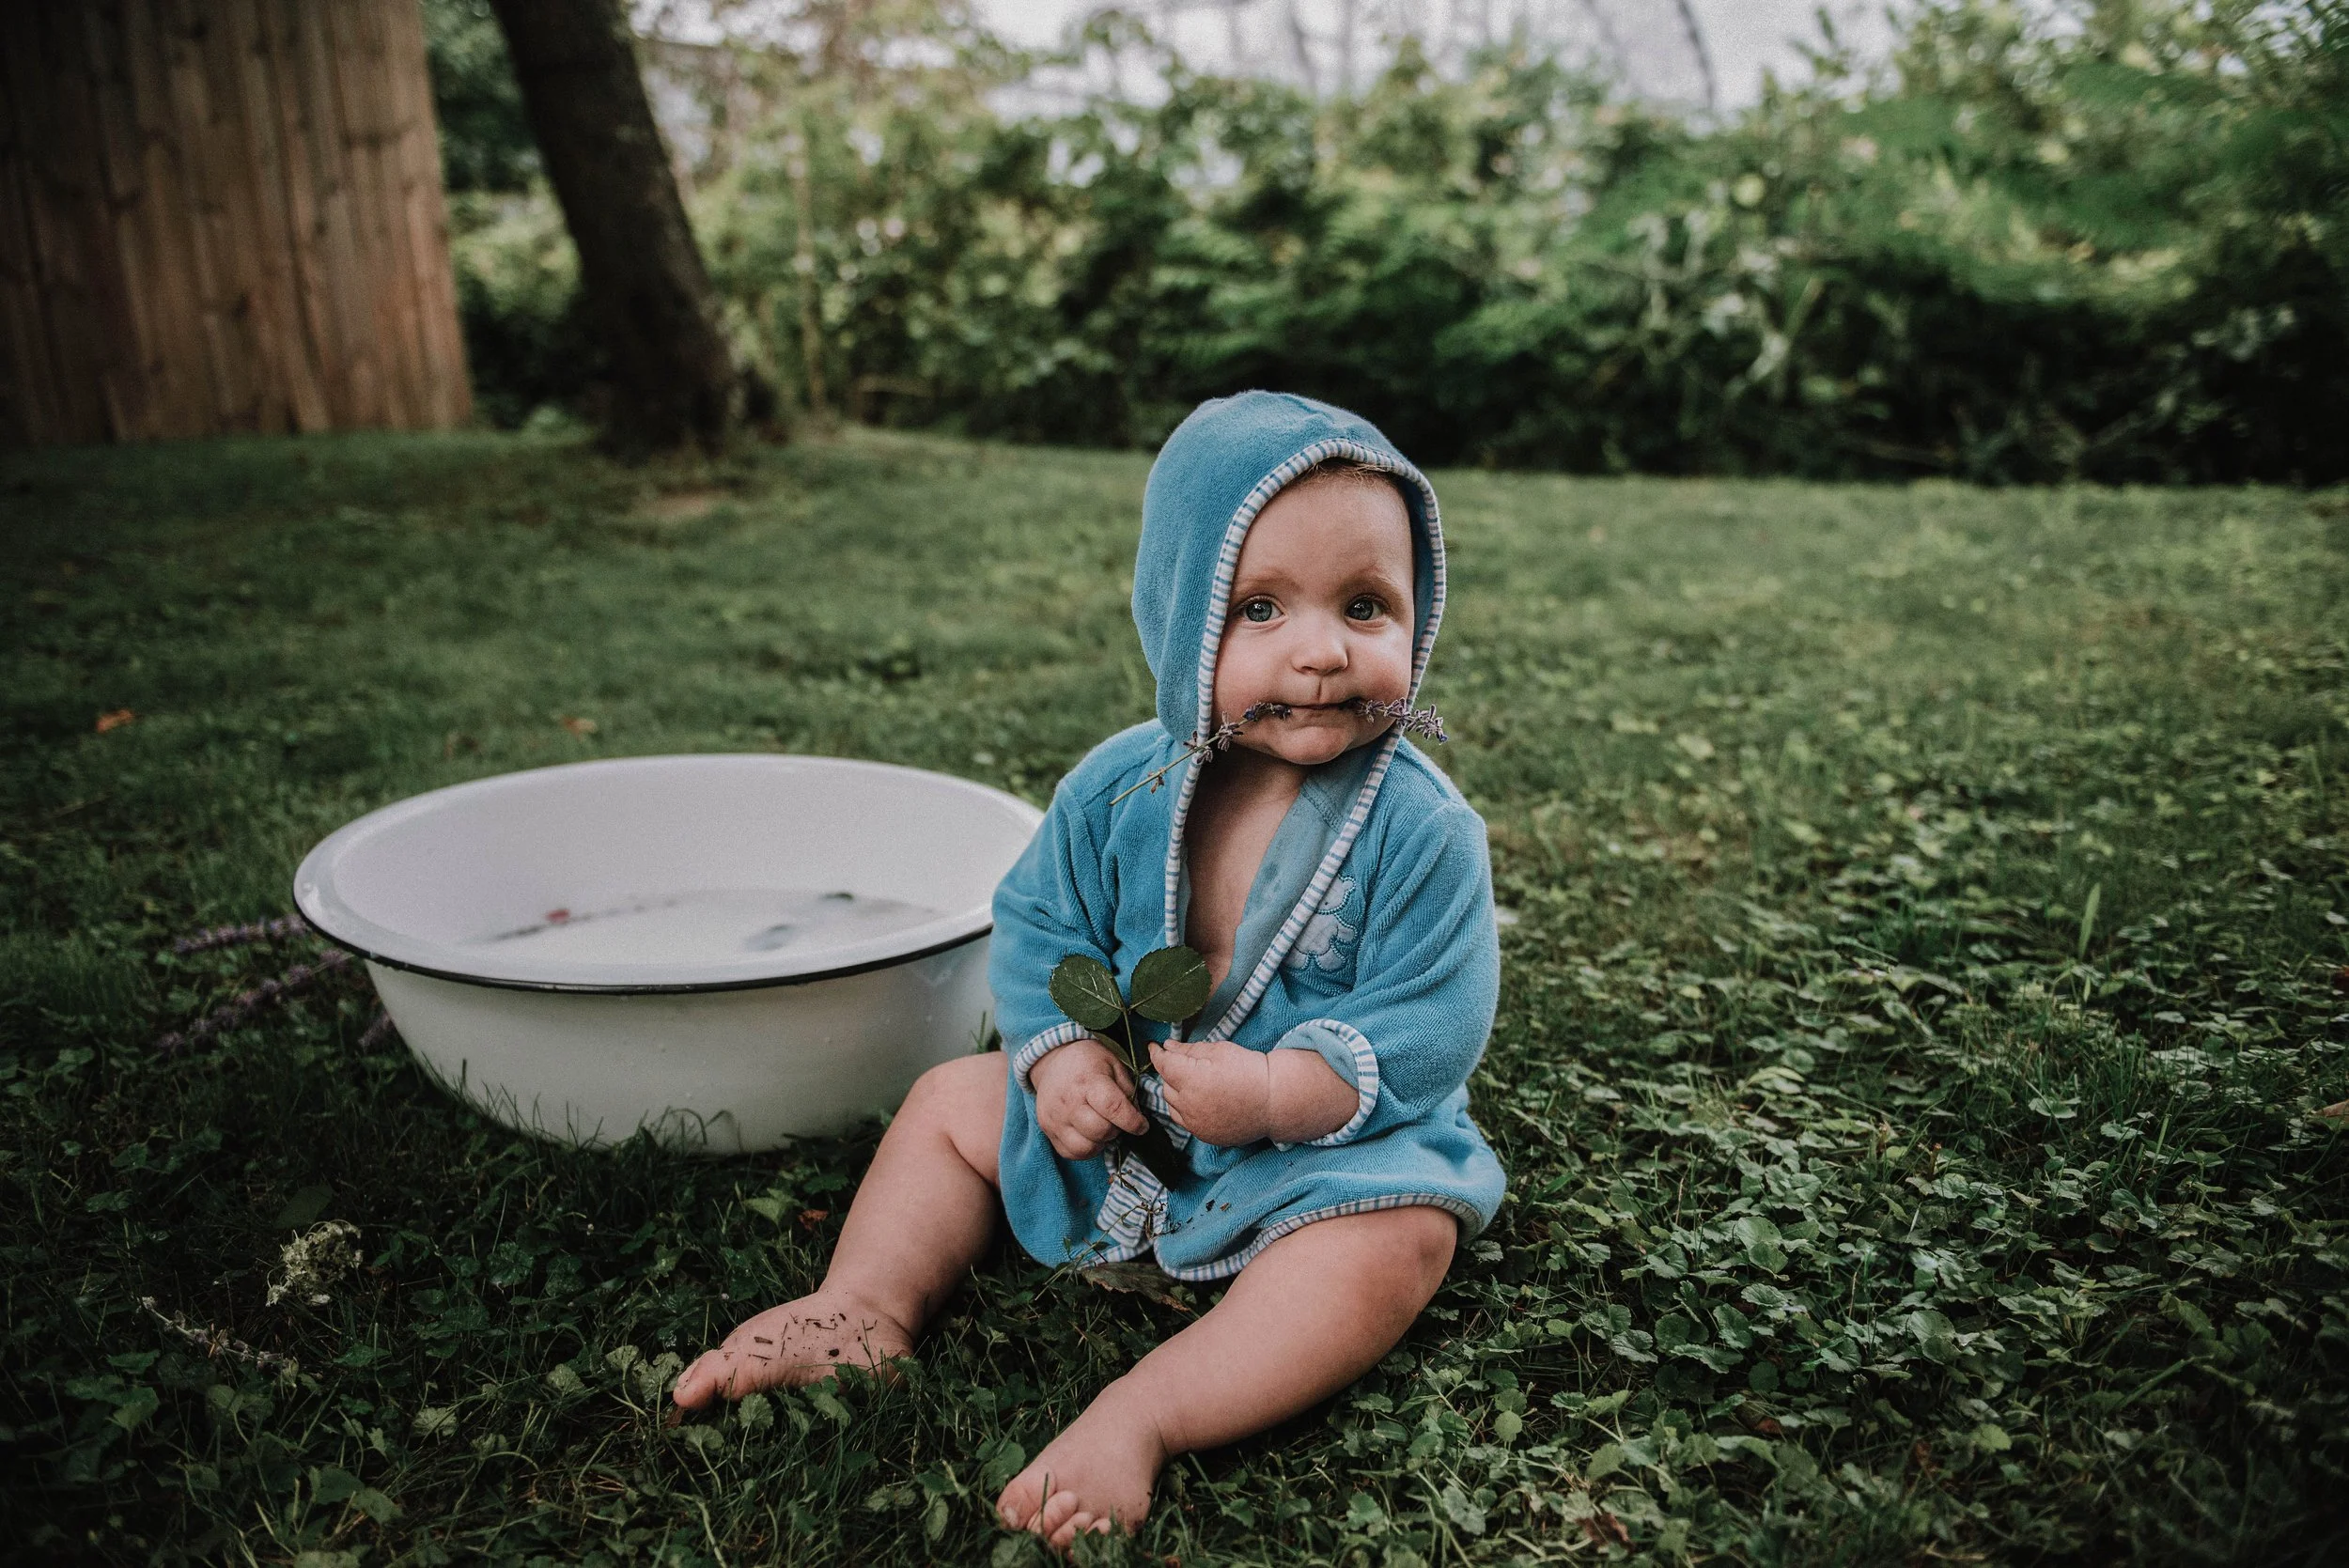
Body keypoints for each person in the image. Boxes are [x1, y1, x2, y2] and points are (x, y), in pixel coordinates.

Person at [673, 392, 1506, 1551]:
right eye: (1259, 607)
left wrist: (1276, 1096)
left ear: (1417, 620)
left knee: (1399, 1236)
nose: (1321, 651)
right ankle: (864, 1300)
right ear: (1180, 618)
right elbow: (1036, 917)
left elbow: (1436, 1014)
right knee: (949, 1103)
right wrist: (1059, 1049)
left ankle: (1149, 1411)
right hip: (1129, 1124)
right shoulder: (1122, 788)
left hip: (1318, 1149)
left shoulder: (1420, 831)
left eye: (1365, 606)